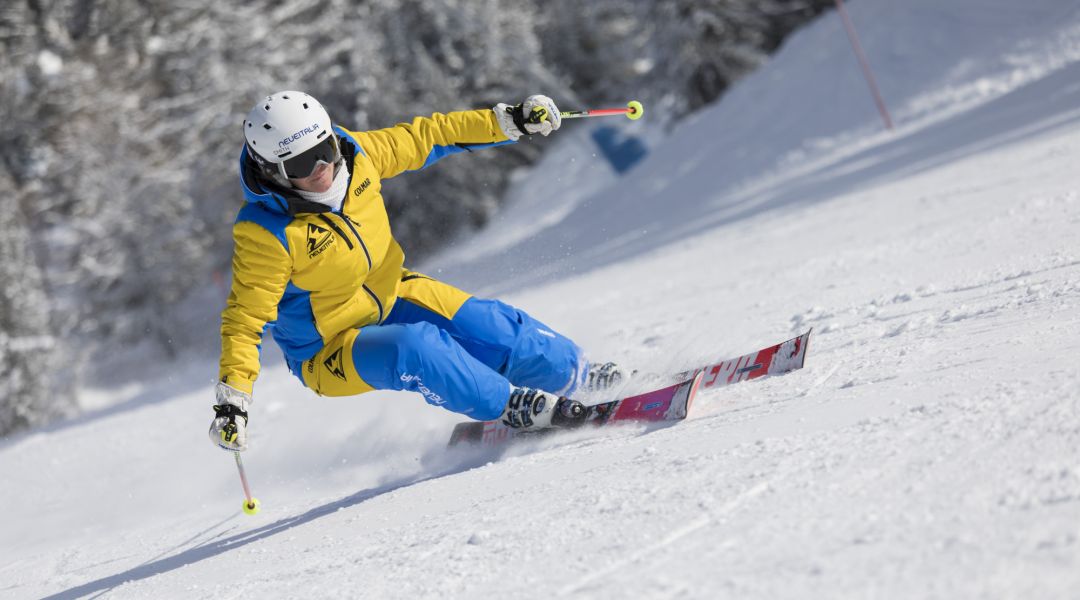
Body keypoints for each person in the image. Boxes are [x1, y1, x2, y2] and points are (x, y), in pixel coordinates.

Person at [209, 90, 621, 451]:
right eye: (301, 163)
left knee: (489, 326)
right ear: (272, 171)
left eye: (325, 149)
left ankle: (574, 375)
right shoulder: (266, 234)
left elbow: (431, 136)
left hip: (393, 294)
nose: (321, 168)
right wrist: (233, 402)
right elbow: (245, 321)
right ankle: (509, 406)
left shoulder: (357, 157)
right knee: (413, 346)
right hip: (328, 348)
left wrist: (509, 121)